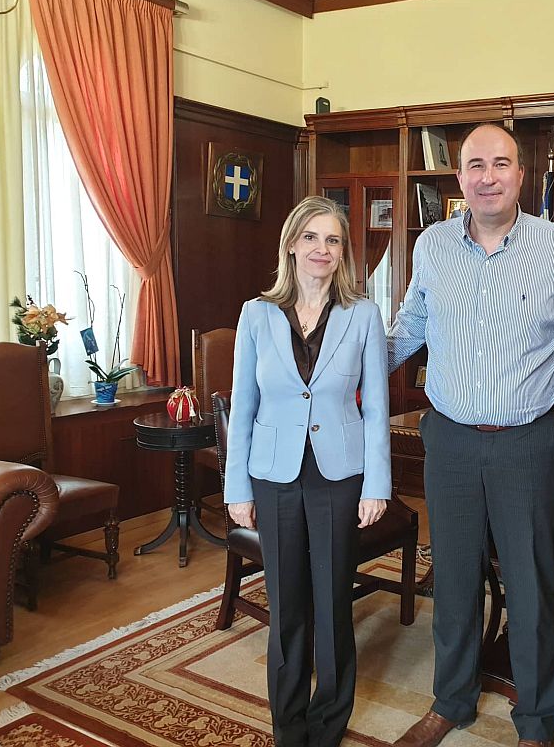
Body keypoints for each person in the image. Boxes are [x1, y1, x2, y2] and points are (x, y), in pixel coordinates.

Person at [388, 123, 554, 747]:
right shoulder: (432, 246)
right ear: (459, 177)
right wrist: (340, 365)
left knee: (531, 583)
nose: (487, 176)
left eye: (500, 164)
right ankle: (450, 701)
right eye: (475, 165)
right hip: (450, 441)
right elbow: (408, 328)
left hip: (527, 443)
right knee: (454, 576)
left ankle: (537, 720)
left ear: (521, 174)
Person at [223, 195, 391, 747]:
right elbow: (243, 406)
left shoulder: (362, 314)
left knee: (333, 600)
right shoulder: (256, 314)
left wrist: (377, 485)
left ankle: (328, 724)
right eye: (311, 237)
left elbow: (376, 408)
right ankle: (288, 728)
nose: (322, 248)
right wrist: (237, 487)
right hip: (272, 474)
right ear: (292, 244)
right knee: (287, 605)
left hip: (339, 475)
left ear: (343, 252)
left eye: (333, 240)